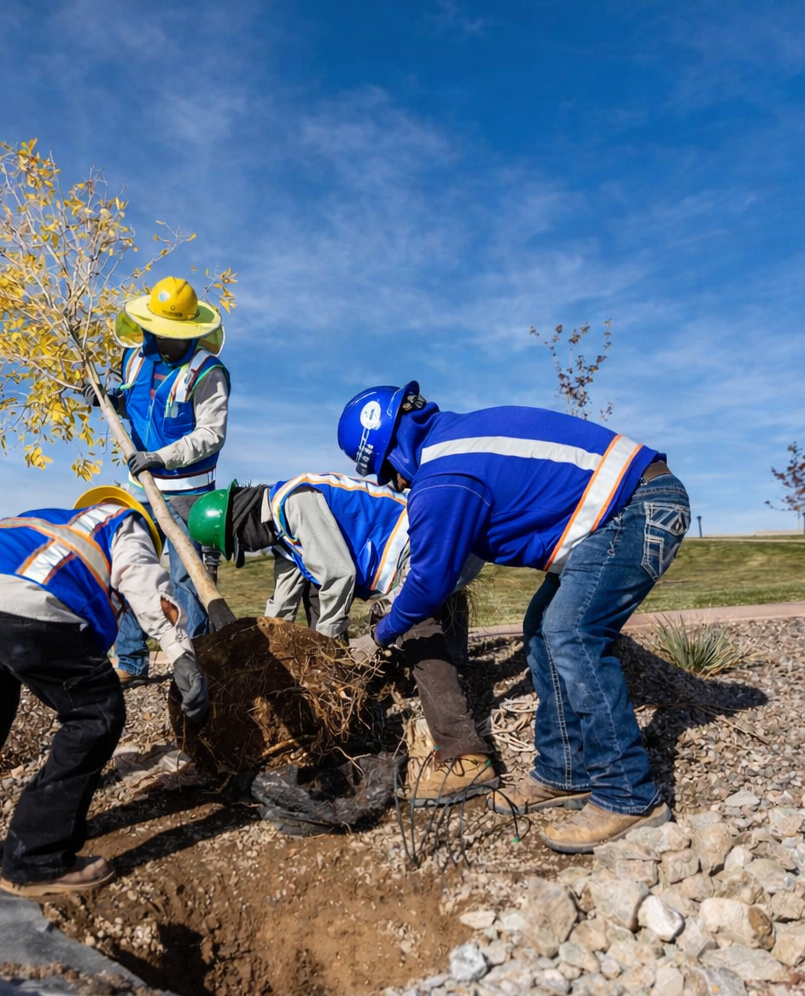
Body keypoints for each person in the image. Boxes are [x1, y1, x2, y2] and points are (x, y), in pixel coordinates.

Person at [336, 382, 691, 852]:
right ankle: (564, 772)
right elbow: (455, 564)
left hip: (639, 507)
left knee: (572, 631)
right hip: (627, 506)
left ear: (392, 447)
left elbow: (429, 582)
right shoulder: (457, 443)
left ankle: (628, 796)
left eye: (385, 472)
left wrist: (378, 636)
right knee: (542, 628)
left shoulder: (443, 474)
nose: (392, 485)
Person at [0, 486, 210, 898]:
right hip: (22, 601)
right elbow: (142, 580)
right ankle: (36, 859)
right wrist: (179, 653)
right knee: (95, 714)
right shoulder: (122, 521)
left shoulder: (36, 520)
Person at [186, 474, 496, 806]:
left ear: (241, 520)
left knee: (414, 626)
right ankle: (438, 667)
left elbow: (338, 574)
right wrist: (260, 657)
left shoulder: (294, 503)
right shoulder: (281, 530)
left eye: (241, 543)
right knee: (317, 592)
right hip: (427, 551)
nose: (249, 548)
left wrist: (329, 657)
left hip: (436, 545)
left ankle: (464, 752)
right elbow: (282, 604)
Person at [87, 276, 230, 684]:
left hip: (187, 494)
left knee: (187, 579)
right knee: (128, 568)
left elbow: (211, 434)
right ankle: (131, 660)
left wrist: (160, 458)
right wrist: (108, 399)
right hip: (140, 490)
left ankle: (197, 660)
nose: (159, 339)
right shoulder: (135, 358)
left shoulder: (207, 373)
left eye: (169, 334)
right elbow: (136, 402)